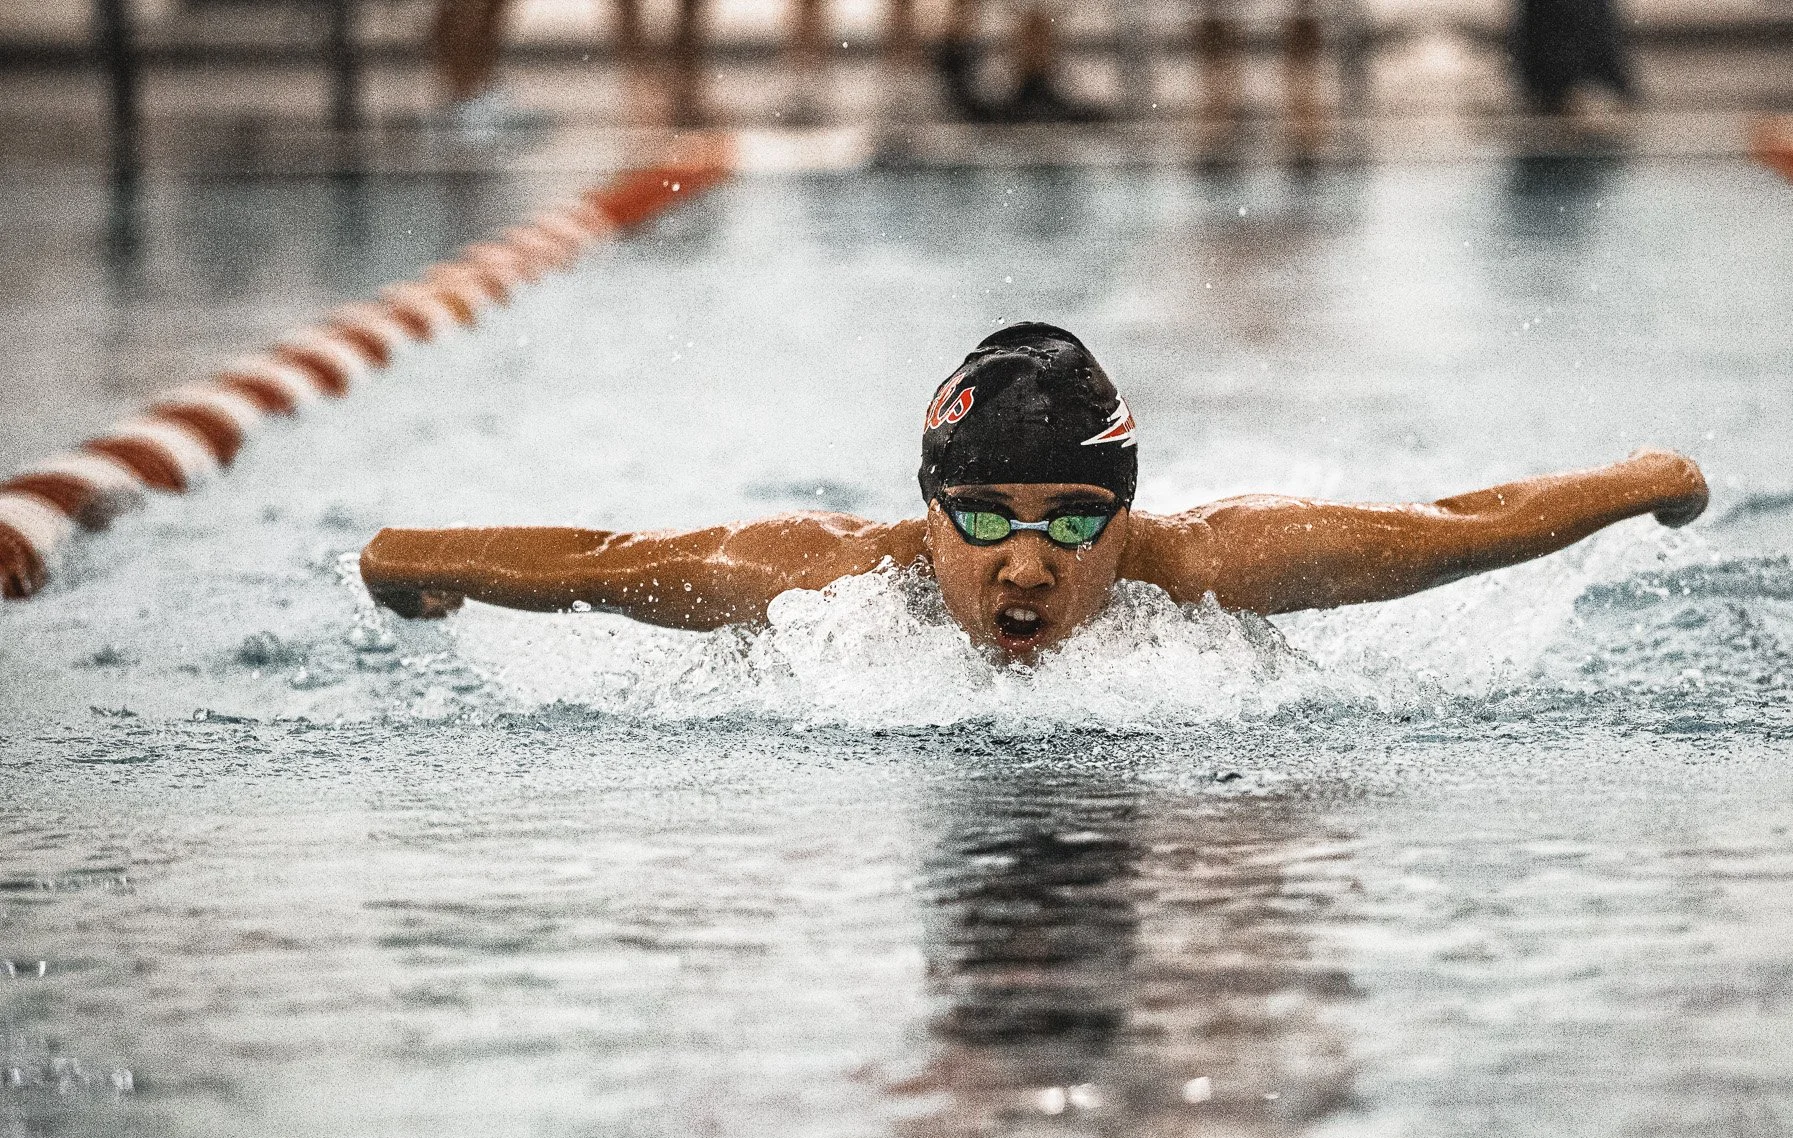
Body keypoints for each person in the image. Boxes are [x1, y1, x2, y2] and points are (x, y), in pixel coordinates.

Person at [359, 323, 1708, 661]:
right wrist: (415, 561)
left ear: (1125, 517)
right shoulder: (828, 576)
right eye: (986, 518)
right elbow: (602, 560)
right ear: (928, 512)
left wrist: (1646, 482)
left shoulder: (1206, 568)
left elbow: (1454, 534)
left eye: (1076, 520)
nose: (1028, 564)